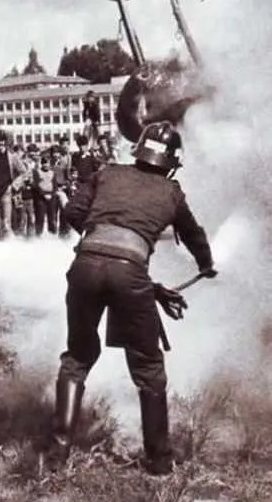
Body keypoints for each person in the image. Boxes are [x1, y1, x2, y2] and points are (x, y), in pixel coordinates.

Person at [46, 121, 217, 476]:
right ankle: (158, 462)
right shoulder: (171, 191)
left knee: (77, 356)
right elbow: (194, 235)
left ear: (139, 149)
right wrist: (207, 265)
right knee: (148, 368)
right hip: (129, 272)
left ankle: (57, 456)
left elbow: (73, 213)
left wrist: (100, 242)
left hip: (84, 265)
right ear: (171, 161)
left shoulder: (106, 173)